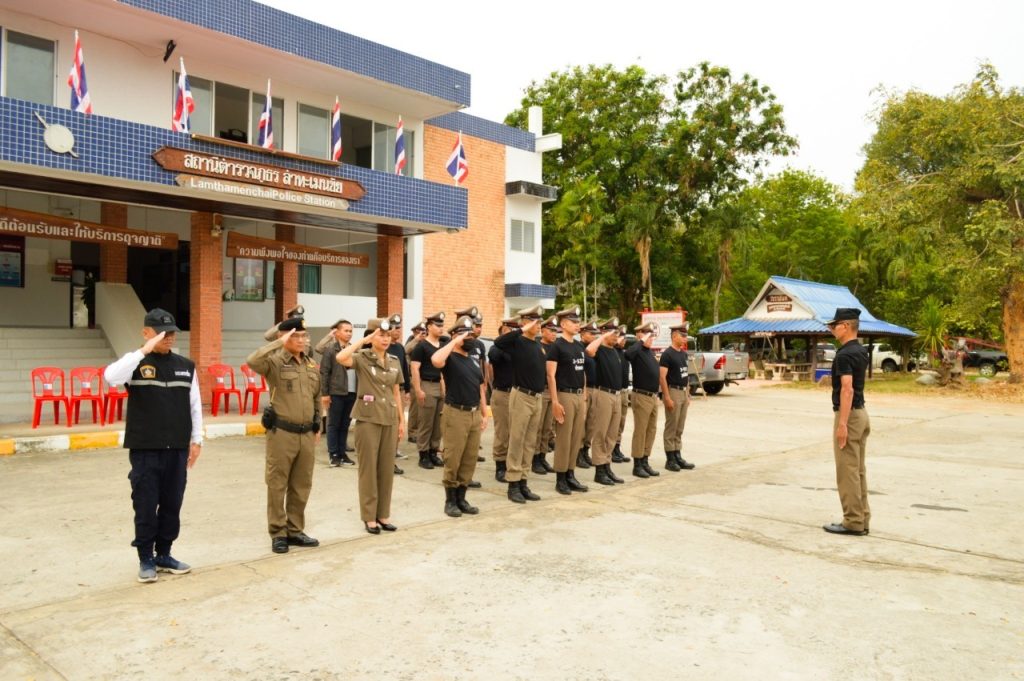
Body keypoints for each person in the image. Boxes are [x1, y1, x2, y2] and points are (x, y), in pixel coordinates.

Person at [104, 308, 202, 583]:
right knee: (145, 504)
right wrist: (143, 351)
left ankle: (164, 554)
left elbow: (194, 405)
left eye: (171, 332)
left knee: (172, 503)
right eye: (161, 333)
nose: (168, 337)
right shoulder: (134, 363)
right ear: (146, 332)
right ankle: (146, 557)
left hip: (177, 449)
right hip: (146, 449)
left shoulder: (186, 365)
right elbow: (111, 377)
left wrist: (197, 440)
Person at [246, 316, 322, 554]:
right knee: (277, 483)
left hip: (306, 434)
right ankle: (278, 532)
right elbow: (252, 360)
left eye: (304, 336)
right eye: (295, 336)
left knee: (302, 484)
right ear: (284, 337)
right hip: (282, 433)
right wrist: (279, 342)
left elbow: (316, 397)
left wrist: (318, 425)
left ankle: (295, 530)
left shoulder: (311, 364)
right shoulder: (275, 362)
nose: (301, 340)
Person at [338, 318, 406, 534]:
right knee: (368, 470)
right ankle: (369, 517)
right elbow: (341, 358)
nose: (385, 339)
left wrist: (402, 420)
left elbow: (396, 392)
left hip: (389, 419)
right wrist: (363, 341)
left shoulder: (394, 360)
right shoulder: (362, 357)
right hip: (368, 419)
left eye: (388, 336)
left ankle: (383, 515)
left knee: (386, 469)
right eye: (380, 335)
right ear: (372, 336)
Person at [432, 315, 488, 517]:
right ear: (456, 336)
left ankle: (462, 498)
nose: (470, 339)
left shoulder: (471, 361)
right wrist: (454, 341)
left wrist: (484, 413)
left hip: (474, 414)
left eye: (472, 335)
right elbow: (436, 360)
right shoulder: (449, 358)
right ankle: (450, 501)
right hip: (455, 413)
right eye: (467, 335)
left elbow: (480, 387)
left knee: (469, 459)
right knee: (453, 458)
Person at [823, 308, 871, 536]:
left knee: (847, 470)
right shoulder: (861, 351)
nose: (832, 329)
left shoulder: (844, 354)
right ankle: (862, 518)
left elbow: (847, 389)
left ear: (845, 326)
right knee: (858, 469)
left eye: (835, 325)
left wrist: (842, 424)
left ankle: (852, 521)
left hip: (849, 415)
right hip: (861, 414)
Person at [494, 304, 546, 503]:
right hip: (521, 396)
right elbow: (499, 342)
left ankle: (523, 480)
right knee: (517, 440)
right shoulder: (517, 341)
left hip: (536, 397)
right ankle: (513, 484)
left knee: (530, 441)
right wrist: (521, 329)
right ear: (525, 323)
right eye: (534, 321)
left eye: (539, 322)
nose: (538, 325)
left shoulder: (537, 345)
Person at [546, 305, 590, 494]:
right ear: (563, 324)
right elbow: (550, 375)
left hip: (579, 395)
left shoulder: (579, 346)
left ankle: (571, 474)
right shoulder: (557, 346)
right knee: (564, 438)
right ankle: (561, 478)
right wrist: (555, 402)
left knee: (576, 437)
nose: (577, 325)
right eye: (573, 322)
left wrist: (584, 396)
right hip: (565, 394)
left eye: (578, 322)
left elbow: (582, 372)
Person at [585, 318, 627, 485]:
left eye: (617, 333)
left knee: (611, 434)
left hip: (616, 395)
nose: (616, 336)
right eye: (613, 333)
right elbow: (589, 350)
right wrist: (602, 337)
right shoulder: (600, 349)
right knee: (601, 433)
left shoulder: (614, 351)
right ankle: (599, 470)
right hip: (603, 394)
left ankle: (607, 465)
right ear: (604, 333)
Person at [409, 311, 447, 469]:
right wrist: (418, 389)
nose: (441, 328)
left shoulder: (443, 345)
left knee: (438, 423)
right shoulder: (421, 346)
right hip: (427, 384)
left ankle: (433, 452)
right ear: (429, 327)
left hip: (440, 384)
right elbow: (415, 368)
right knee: (426, 422)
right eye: (437, 325)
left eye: (442, 325)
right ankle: (423, 454)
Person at [625, 322, 662, 478]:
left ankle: (645, 460)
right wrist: (641, 340)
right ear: (640, 335)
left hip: (652, 396)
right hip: (641, 396)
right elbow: (628, 355)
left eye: (652, 336)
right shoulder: (637, 350)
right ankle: (637, 464)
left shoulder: (649, 352)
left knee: (651, 430)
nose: (651, 339)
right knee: (640, 431)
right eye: (648, 336)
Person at [319, 319, 356, 467]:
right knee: (334, 424)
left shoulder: (353, 349)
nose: (349, 333)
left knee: (345, 424)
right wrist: (325, 394)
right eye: (346, 331)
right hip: (336, 392)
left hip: (351, 392)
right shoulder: (330, 350)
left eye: (350, 331)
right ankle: (333, 454)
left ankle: (342, 453)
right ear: (337, 332)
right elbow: (324, 372)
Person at [659, 324, 695, 471]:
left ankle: (677, 455)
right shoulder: (667, 354)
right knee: (671, 426)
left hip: (683, 393)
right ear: (674, 336)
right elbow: (662, 377)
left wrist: (688, 394)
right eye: (682, 335)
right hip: (673, 391)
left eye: (686, 336)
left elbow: (685, 375)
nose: (685, 338)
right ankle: (670, 459)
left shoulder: (683, 354)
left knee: (680, 426)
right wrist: (667, 397)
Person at [489, 317, 519, 482]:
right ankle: (500, 466)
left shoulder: (518, 348)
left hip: (517, 394)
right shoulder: (496, 349)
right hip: (502, 394)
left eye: (515, 330)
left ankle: (511, 464)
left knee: (516, 432)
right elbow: (494, 356)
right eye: (509, 330)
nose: (513, 333)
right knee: (503, 432)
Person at [531, 315, 559, 475]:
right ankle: (534, 458)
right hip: (541, 390)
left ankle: (542, 456)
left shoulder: (555, 348)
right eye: (551, 330)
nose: (554, 333)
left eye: (556, 331)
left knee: (548, 427)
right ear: (543, 331)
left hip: (552, 390)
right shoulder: (537, 346)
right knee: (538, 426)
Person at [577, 321, 599, 469]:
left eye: (595, 334)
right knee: (581, 424)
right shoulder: (580, 348)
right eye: (591, 334)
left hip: (595, 389)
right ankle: (578, 453)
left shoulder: (594, 349)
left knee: (591, 424)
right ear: (582, 334)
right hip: (585, 389)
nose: (593, 336)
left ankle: (585, 450)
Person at [404, 321, 426, 443]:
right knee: (415, 408)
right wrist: (416, 339)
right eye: (419, 332)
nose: (421, 334)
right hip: (414, 378)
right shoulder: (411, 341)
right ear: (414, 332)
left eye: (423, 332)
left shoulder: (427, 342)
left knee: (425, 407)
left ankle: (421, 432)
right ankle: (412, 432)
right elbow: (405, 351)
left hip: (426, 377)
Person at [612, 327, 631, 464]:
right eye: (620, 337)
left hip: (624, 391)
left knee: (621, 422)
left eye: (624, 338)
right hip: (614, 392)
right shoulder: (611, 351)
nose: (623, 341)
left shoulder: (624, 353)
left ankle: (617, 447)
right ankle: (611, 449)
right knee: (613, 423)